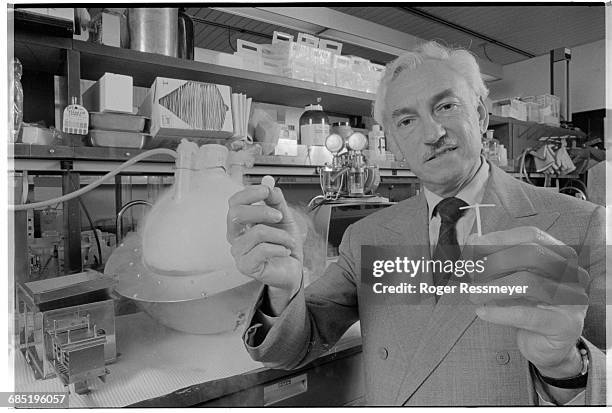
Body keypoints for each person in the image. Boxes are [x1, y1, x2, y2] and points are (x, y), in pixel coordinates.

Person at [226, 41, 605, 406]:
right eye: (407, 120)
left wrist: (564, 366)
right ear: (392, 142)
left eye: (445, 106)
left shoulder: (577, 223)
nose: (432, 134)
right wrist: (284, 287)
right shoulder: (367, 237)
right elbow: (296, 346)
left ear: (481, 115)